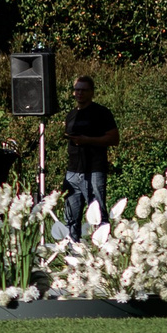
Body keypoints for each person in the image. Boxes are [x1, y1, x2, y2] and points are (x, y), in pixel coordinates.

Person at [64, 75, 120, 238]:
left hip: (95, 170)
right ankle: (72, 253)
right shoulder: (71, 115)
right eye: (77, 90)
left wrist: (87, 140)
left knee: (98, 215)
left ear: (92, 92)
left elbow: (114, 139)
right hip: (73, 171)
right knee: (71, 217)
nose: (80, 93)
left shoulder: (101, 113)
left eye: (84, 90)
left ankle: (104, 251)